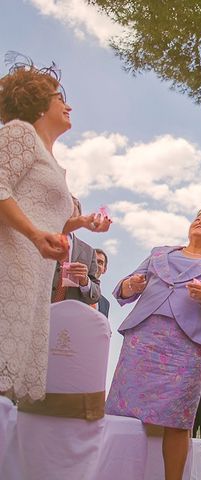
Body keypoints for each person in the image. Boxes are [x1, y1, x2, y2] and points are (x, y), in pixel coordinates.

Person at [106, 207, 201, 480]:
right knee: (122, 414)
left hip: (186, 351)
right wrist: (132, 284)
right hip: (143, 340)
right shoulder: (158, 254)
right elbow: (121, 291)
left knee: (178, 423)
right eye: (198, 219)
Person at [0, 56, 77, 402]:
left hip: (34, 278)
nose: (68, 105)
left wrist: (80, 223)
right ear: (39, 101)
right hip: (9, 266)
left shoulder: (53, 161)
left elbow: (40, 213)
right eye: (61, 98)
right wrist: (33, 235)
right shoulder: (21, 133)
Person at [50, 197, 101, 306]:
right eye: (64, 203)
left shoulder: (88, 251)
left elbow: (95, 295)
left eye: (72, 205)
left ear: (79, 214)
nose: (68, 207)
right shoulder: (42, 236)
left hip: (67, 318)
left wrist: (85, 281)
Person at [94, 248, 110, 317]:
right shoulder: (71, 288)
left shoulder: (105, 304)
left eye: (100, 262)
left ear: (104, 269)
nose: (95, 264)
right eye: (93, 260)